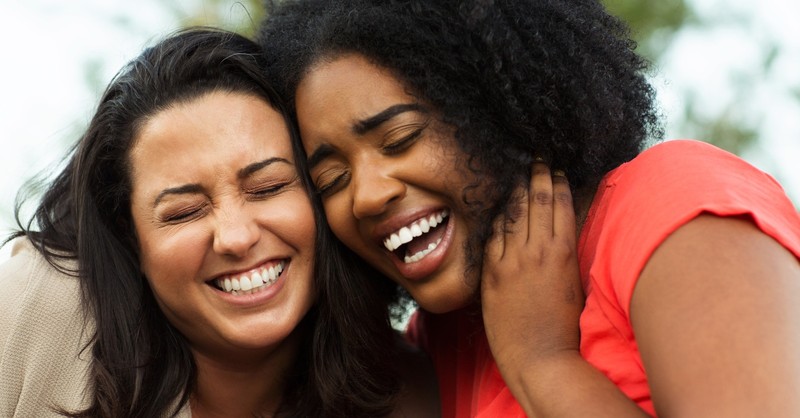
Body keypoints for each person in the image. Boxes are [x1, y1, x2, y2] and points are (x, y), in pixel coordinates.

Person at [257, 0, 800, 417]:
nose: (368, 194)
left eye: (400, 138)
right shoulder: (438, 345)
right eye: (331, 179)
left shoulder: (675, 205)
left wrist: (544, 363)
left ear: (493, 106)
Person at [0, 27, 439, 417]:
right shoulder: (32, 310)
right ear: (129, 236)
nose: (236, 237)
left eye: (267, 187)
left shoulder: (410, 395)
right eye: (184, 212)